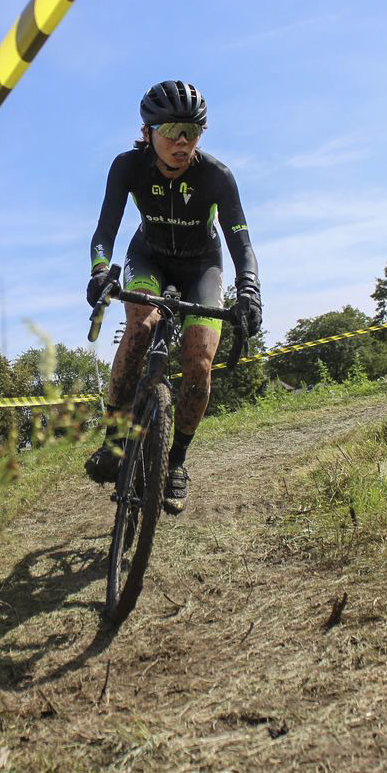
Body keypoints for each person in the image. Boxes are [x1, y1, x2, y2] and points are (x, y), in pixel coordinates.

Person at [84, 80, 262, 515]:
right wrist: (98, 271)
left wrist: (251, 290)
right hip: (148, 258)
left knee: (200, 362)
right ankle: (113, 441)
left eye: (193, 131)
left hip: (202, 264)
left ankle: (176, 461)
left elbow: (241, 242)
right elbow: (106, 228)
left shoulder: (216, 176)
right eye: (172, 131)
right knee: (141, 325)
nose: (183, 142)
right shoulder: (128, 166)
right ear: (148, 132)